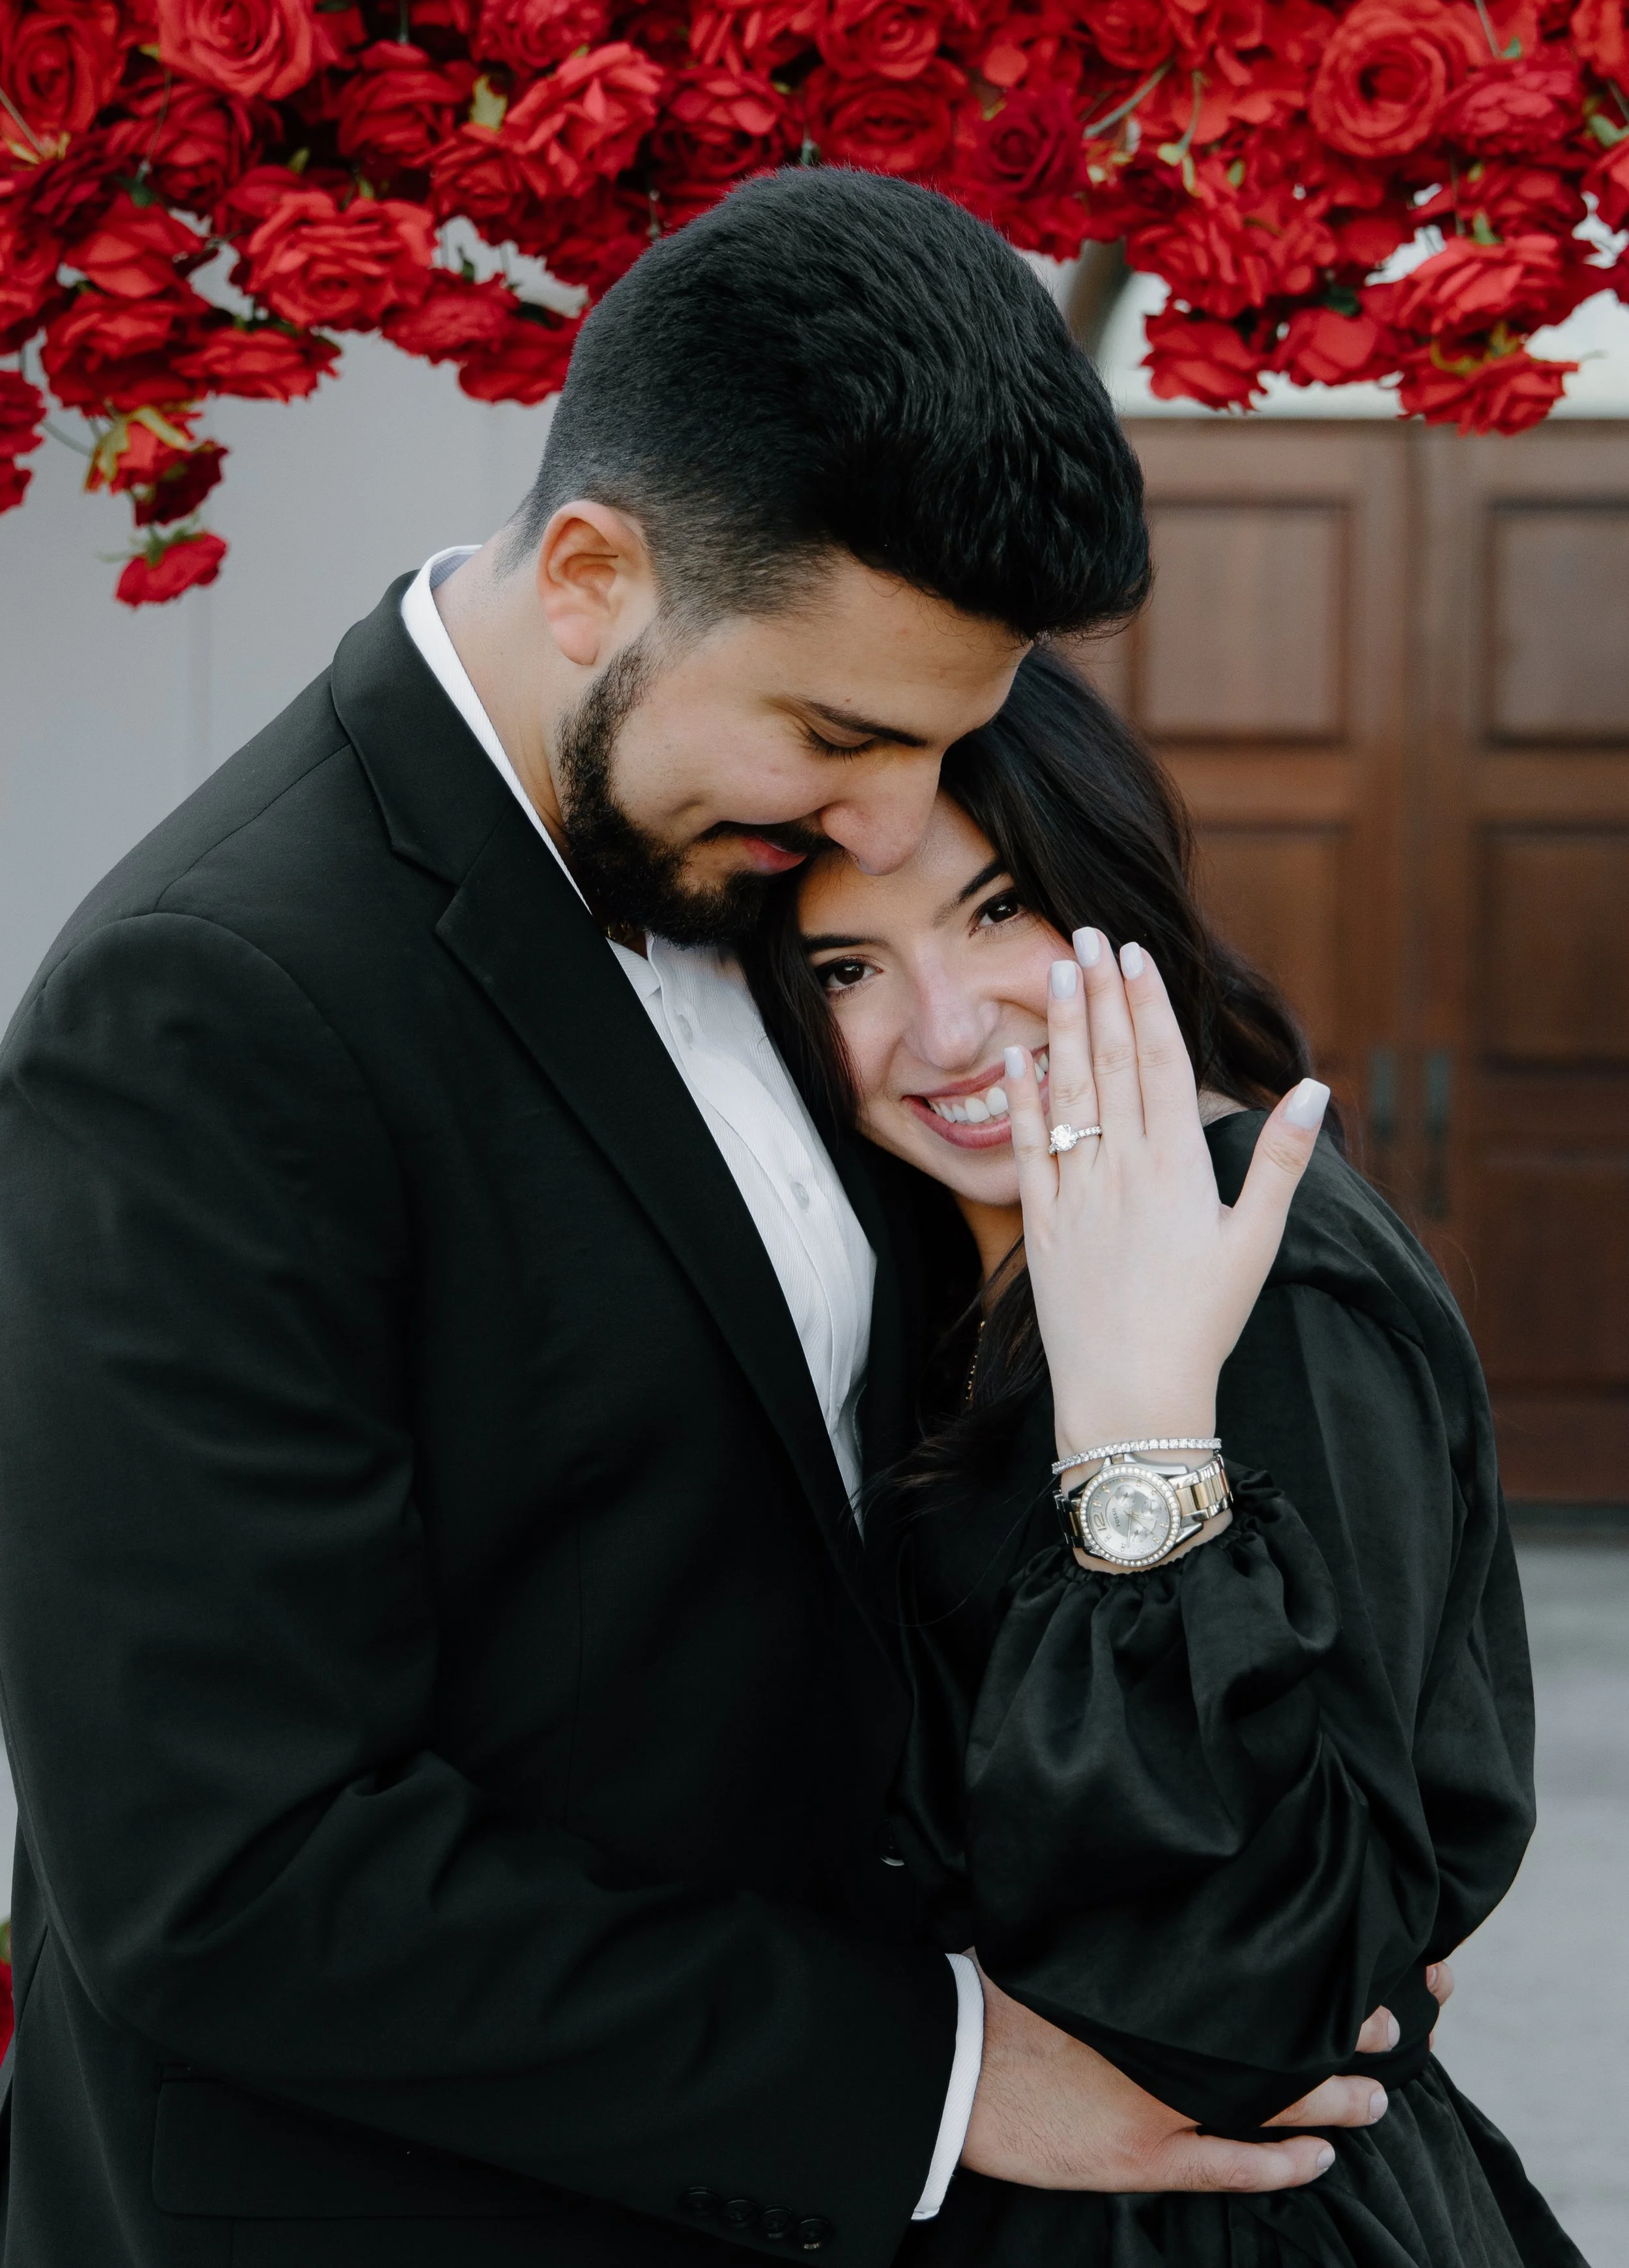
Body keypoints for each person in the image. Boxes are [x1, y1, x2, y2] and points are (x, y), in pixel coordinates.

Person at [0, 172, 1386, 2268]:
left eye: (946, 748)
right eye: (838, 735)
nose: (894, 829)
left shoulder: (731, 855)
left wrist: (1295, 1901)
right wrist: (936, 2070)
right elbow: (232, 1865)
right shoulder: (212, 1008)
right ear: (588, 575)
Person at [744, 647, 1584, 2268]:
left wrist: (1136, 1444)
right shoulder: (962, 1251)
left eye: (996, 913)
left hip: (1211, 2220)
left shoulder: (1256, 1274)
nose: (942, 1028)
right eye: (842, 968)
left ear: (1104, 886)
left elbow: (1270, 1976)